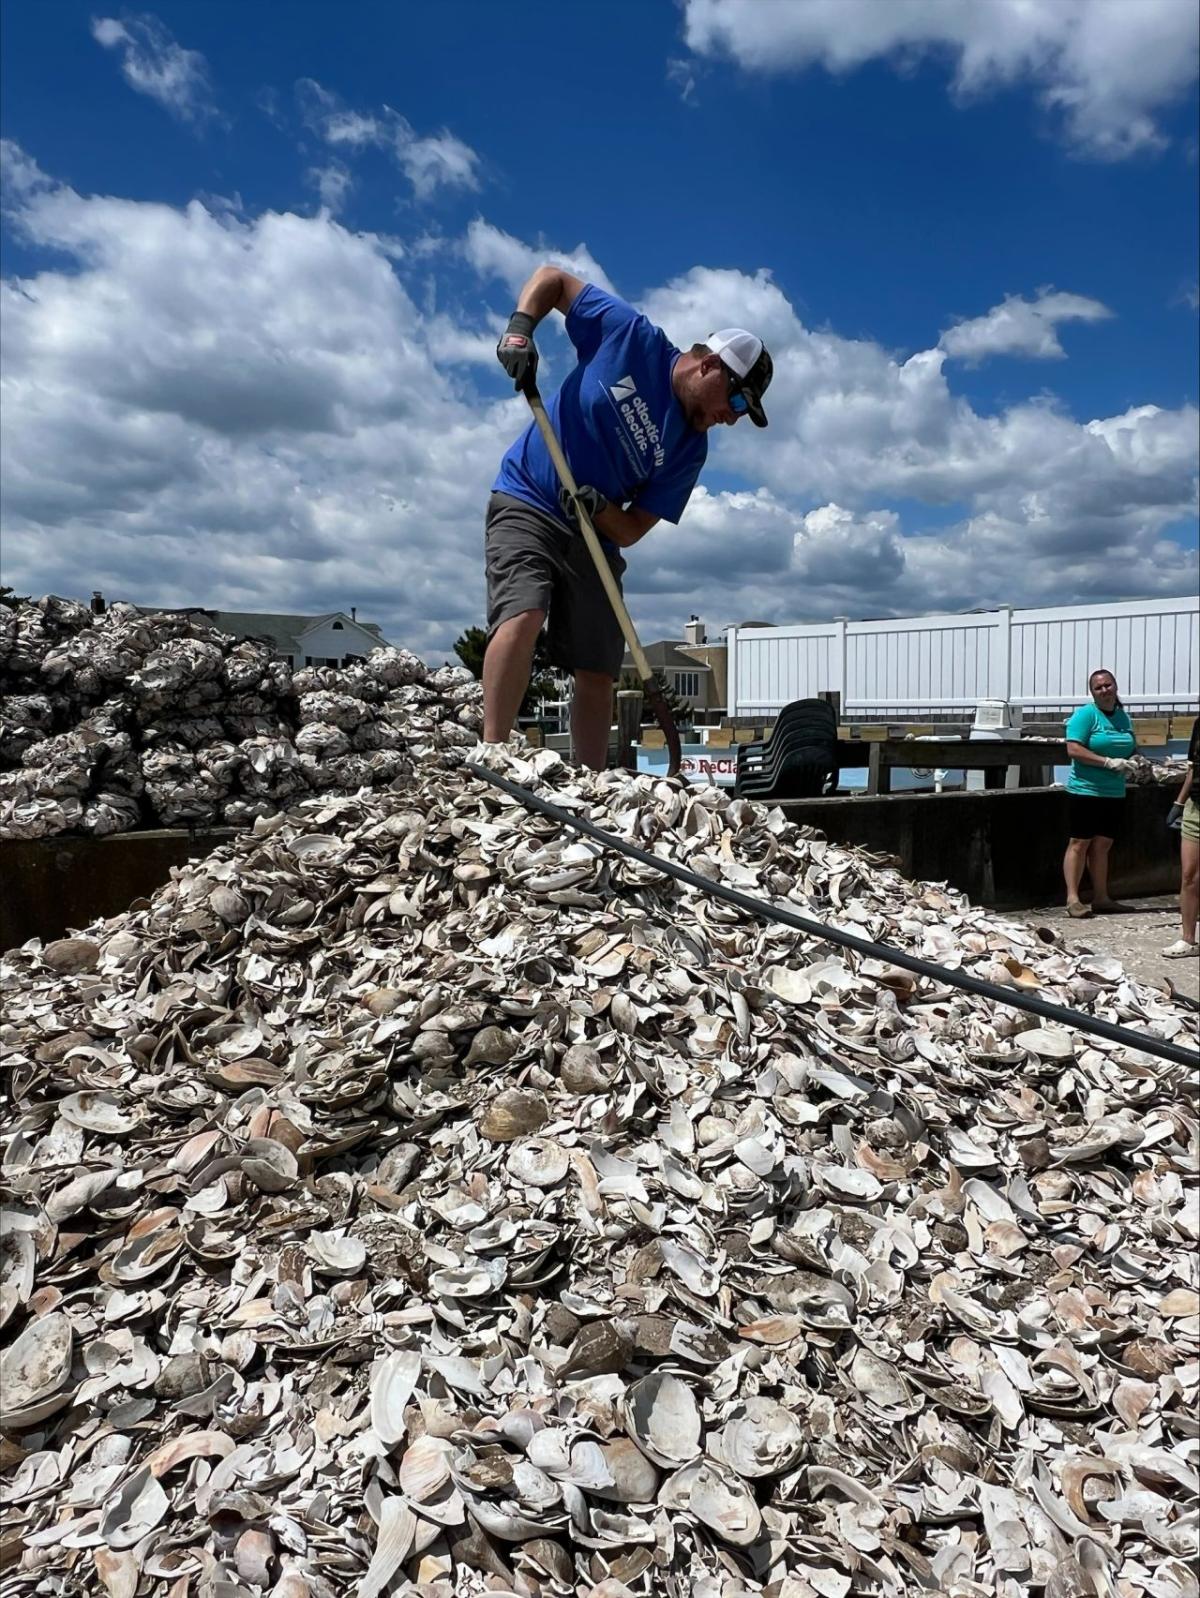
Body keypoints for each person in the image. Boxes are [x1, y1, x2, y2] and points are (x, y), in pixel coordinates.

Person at [484, 265, 773, 770]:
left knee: (597, 665)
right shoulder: (629, 336)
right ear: (710, 366)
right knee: (525, 611)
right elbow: (552, 280)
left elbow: (635, 527)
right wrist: (520, 328)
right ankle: (491, 759)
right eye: (736, 400)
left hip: (594, 536)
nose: (733, 416)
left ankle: (591, 786)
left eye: (743, 412)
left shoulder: (690, 450)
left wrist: (599, 510)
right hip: (529, 497)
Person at [1062, 668, 1137, 917]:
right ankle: (1073, 899)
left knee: (1103, 845)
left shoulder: (1123, 717)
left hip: (1113, 791)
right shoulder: (1085, 715)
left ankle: (1102, 897)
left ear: (1115, 687)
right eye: (1099, 687)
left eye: (1108, 685)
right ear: (1092, 692)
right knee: (1079, 843)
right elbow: (1073, 749)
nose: (1105, 690)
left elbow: (1130, 746)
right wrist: (1106, 762)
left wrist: (1136, 760)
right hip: (1086, 789)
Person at [1162, 714, 1199, 958]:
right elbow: (1192, 768)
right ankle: (1188, 940)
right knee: (1189, 876)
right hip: (1196, 807)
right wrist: (1178, 803)